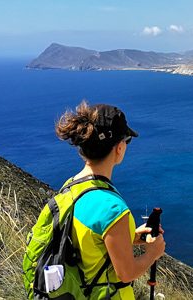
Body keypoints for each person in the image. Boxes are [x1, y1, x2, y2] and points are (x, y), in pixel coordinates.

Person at [55, 100, 165, 299]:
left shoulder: (71, 188)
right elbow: (126, 273)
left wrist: (130, 237)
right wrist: (153, 253)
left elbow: (89, 241)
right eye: (126, 140)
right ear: (119, 148)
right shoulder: (112, 209)